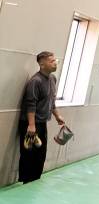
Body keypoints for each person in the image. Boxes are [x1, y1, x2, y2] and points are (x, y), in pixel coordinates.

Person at [18, 51, 67, 184]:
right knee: (29, 155)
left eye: (55, 60)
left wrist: (57, 116)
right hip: (30, 124)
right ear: (42, 64)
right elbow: (31, 104)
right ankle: (26, 182)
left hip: (42, 123)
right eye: (52, 61)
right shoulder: (35, 81)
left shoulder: (52, 79)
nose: (55, 63)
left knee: (40, 155)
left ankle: (34, 180)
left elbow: (51, 100)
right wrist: (31, 125)